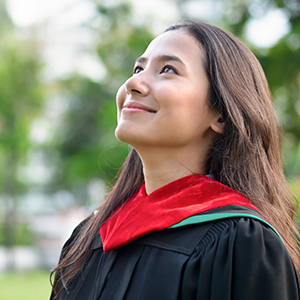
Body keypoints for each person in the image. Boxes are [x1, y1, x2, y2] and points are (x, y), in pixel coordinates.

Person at [50, 20, 300, 300]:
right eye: (138, 69)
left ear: (220, 114)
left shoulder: (241, 244)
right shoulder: (90, 235)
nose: (133, 83)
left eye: (168, 69)